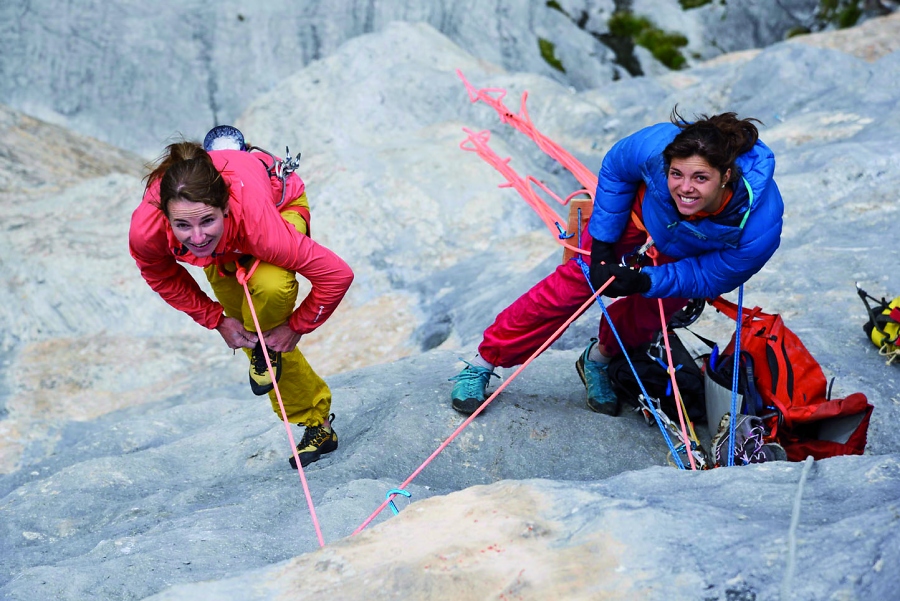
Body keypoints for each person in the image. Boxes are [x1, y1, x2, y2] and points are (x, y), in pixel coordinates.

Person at [449, 109, 784, 417]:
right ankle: (483, 361)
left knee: (651, 312)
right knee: (571, 287)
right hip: (639, 217)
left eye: (700, 178)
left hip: (692, 250)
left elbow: (710, 277)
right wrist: (604, 246)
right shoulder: (656, 147)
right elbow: (615, 168)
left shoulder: (759, 224)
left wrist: (645, 282)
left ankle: (598, 360)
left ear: (726, 175)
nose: (685, 188)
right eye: (676, 174)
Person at [129, 129, 354, 468]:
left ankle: (267, 354)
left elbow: (336, 274)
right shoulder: (147, 231)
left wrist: (295, 327)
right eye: (183, 226)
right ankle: (314, 422)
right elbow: (159, 272)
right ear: (166, 217)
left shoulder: (260, 227)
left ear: (224, 208)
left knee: (271, 286)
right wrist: (216, 319)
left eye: (207, 220)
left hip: (278, 207)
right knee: (249, 331)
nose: (197, 236)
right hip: (228, 243)